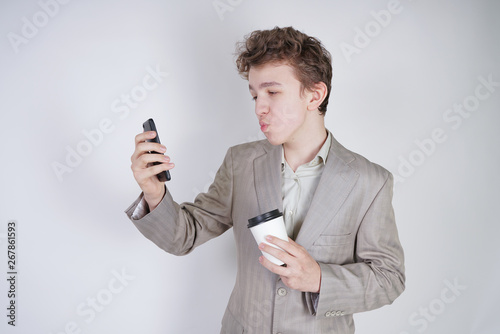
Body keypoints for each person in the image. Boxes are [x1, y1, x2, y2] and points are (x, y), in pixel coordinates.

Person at [126, 26, 405, 334]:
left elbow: (389, 278)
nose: (260, 107)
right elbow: (184, 236)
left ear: (315, 94)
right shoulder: (241, 163)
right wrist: (154, 192)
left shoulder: (370, 181)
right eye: (255, 95)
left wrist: (320, 279)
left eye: (272, 92)